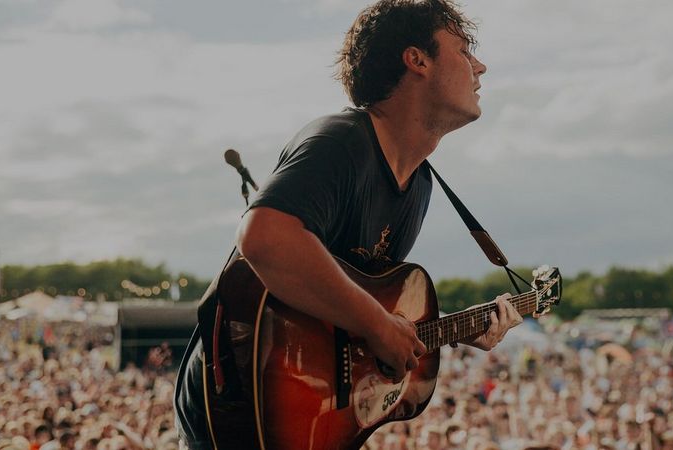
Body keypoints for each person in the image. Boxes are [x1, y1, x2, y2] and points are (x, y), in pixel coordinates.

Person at [173, 0, 524, 448]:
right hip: (241, 406)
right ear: (417, 59)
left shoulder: (418, 184)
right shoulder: (341, 141)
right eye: (464, 49)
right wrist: (379, 326)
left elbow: (355, 312)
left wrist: (442, 332)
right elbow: (264, 237)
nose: (481, 65)